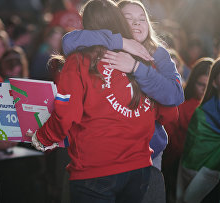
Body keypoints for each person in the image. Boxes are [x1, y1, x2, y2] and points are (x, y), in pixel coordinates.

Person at [28, 0, 155, 201]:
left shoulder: (78, 60)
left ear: (85, 24)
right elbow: (169, 113)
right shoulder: (143, 57)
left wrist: (43, 138)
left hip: (95, 170)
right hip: (140, 168)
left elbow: (66, 113)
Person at [60, 0, 184, 169]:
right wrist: (122, 42)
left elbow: (175, 95)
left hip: (150, 152)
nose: (136, 23)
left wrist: (136, 67)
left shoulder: (159, 53)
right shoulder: (106, 46)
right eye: (129, 17)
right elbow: (69, 41)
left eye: (142, 18)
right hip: (109, 153)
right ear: (116, 20)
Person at [162, 57, 213, 203]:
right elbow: (169, 141)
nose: (205, 89)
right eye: (201, 84)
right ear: (193, 82)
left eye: (209, 85)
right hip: (178, 167)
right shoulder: (183, 105)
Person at [176, 58, 220, 203]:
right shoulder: (200, 113)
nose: (202, 87)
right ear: (214, 83)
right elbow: (190, 154)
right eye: (200, 83)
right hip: (196, 175)